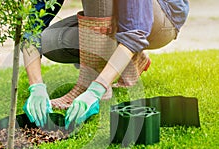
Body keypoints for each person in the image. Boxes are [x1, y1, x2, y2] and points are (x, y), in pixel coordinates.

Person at [22, 0, 189, 129]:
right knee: (50, 41)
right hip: (121, 19)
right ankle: (130, 58)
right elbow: (33, 29)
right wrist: (36, 86)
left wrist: (95, 89)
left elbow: (136, 30)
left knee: (127, 34)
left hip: (162, 18)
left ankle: (91, 80)